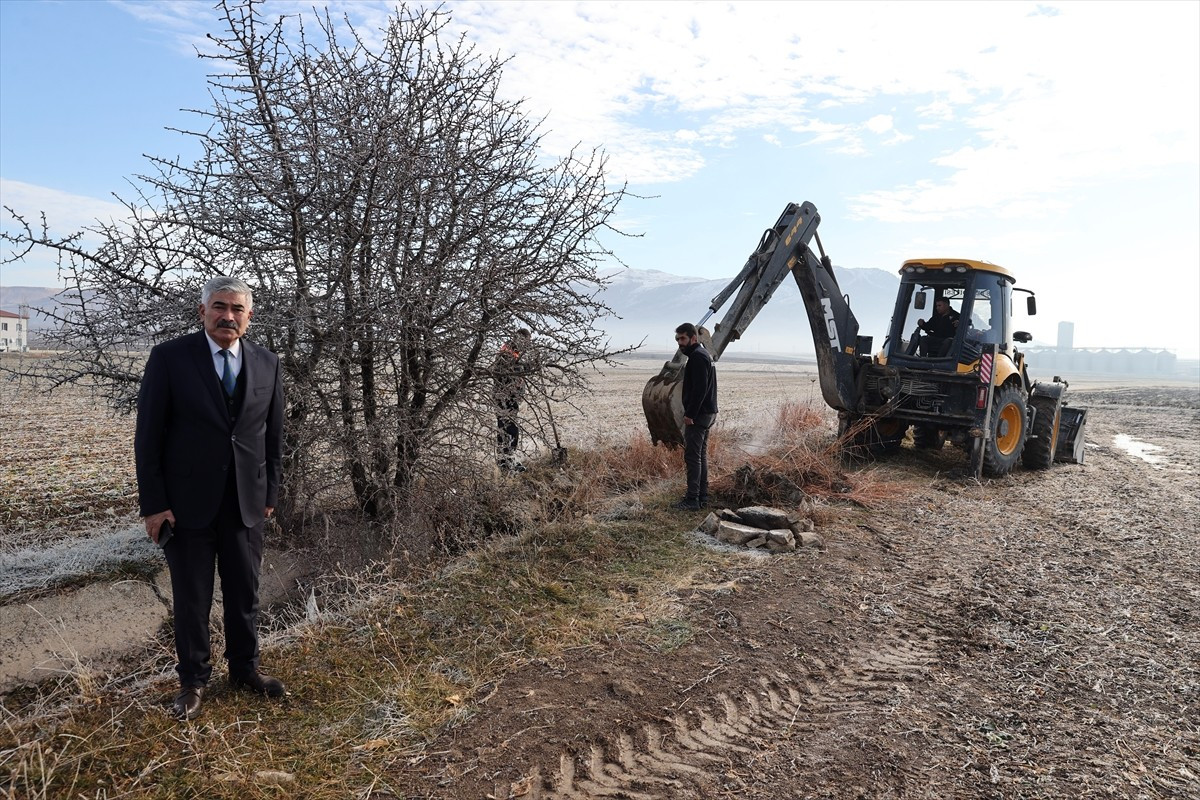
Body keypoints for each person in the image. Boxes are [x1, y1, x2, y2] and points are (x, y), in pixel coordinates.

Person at [135, 276, 286, 720]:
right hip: (185, 505)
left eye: (237, 309)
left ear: (249, 317)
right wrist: (154, 504)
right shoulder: (169, 358)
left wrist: (270, 493)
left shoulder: (267, 362)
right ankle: (193, 682)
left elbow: (273, 436)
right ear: (202, 311)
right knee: (192, 598)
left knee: (245, 593)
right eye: (219, 307)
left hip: (246, 503)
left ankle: (245, 669)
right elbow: (148, 437)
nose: (227, 316)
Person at [673, 322, 718, 510]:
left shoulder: (697, 358)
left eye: (683, 338)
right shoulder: (702, 355)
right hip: (707, 413)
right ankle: (702, 496)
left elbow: (700, 389)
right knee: (700, 456)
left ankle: (692, 500)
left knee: (693, 457)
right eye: (677, 339)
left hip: (699, 415)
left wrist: (690, 414)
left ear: (693, 338)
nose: (679, 343)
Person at [493, 328, 534, 471]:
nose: (527, 345)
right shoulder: (507, 353)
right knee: (509, 429)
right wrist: (530, 366)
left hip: (508, 398)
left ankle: (506, 461)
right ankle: (506, 463)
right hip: (505, 398)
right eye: (526, 342)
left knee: (507, 429)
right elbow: (512, 371)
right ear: (519, 339)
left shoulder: (512, 352)